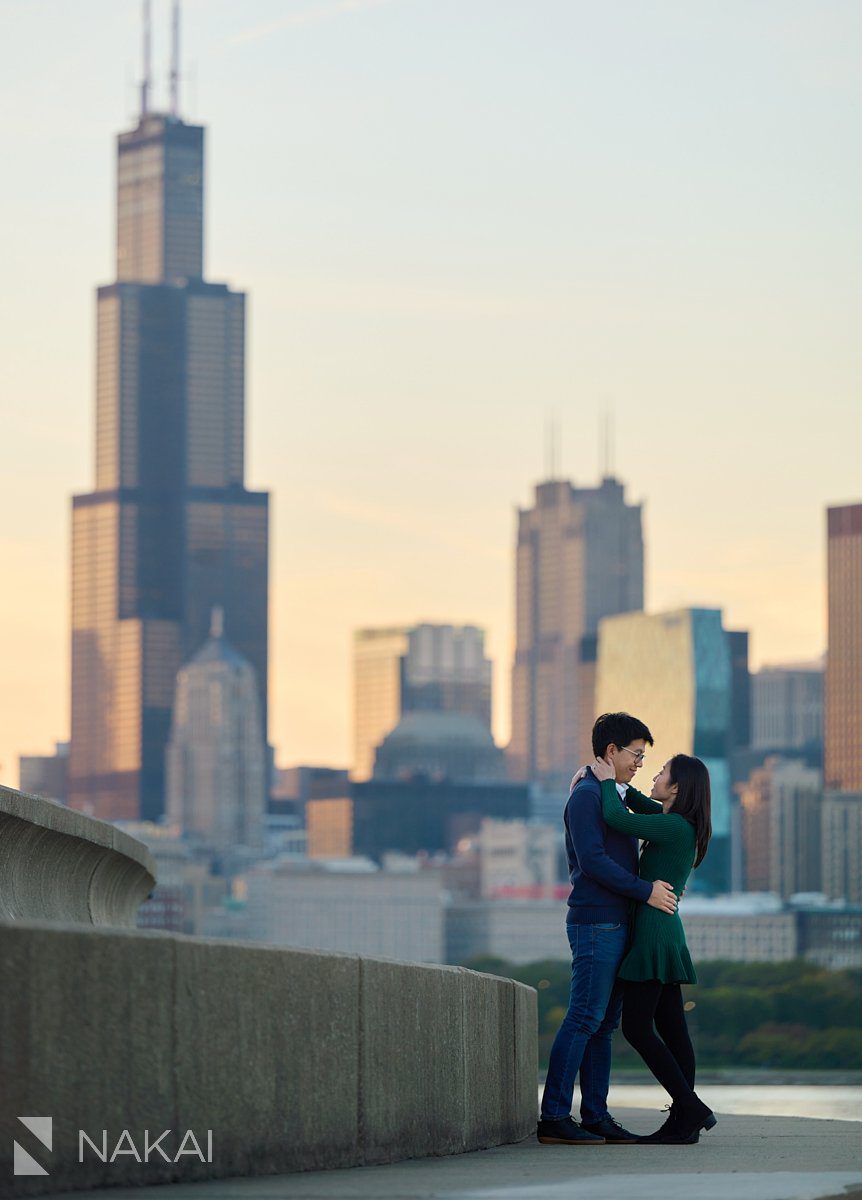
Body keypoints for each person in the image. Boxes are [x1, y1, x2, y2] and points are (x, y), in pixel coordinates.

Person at [537, 713, 679, 1147]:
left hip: (617, 921)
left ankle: (596, 1115)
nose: (639, 762)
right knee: (584, 1016)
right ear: (611, 751)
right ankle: (555, 1117)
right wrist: (646, 891)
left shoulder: (607, 792)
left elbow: (647, 812)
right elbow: (593, 861)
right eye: (635, 753)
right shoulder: (585, 797)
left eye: (644, 755)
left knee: (603, 1025)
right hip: (596, 920)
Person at [589, 751, 716, 1145]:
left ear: (676, 787)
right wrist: (619, 783)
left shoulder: (676, 827)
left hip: (655, 935)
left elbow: (618, 818)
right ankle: (684, 1122)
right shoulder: (676, 823)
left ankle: (689, 1107)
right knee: (674, 1030)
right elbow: (638, 805)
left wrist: (607, 781)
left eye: (662, 772)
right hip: (664, 931)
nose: (654, 774)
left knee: (637, 1027)